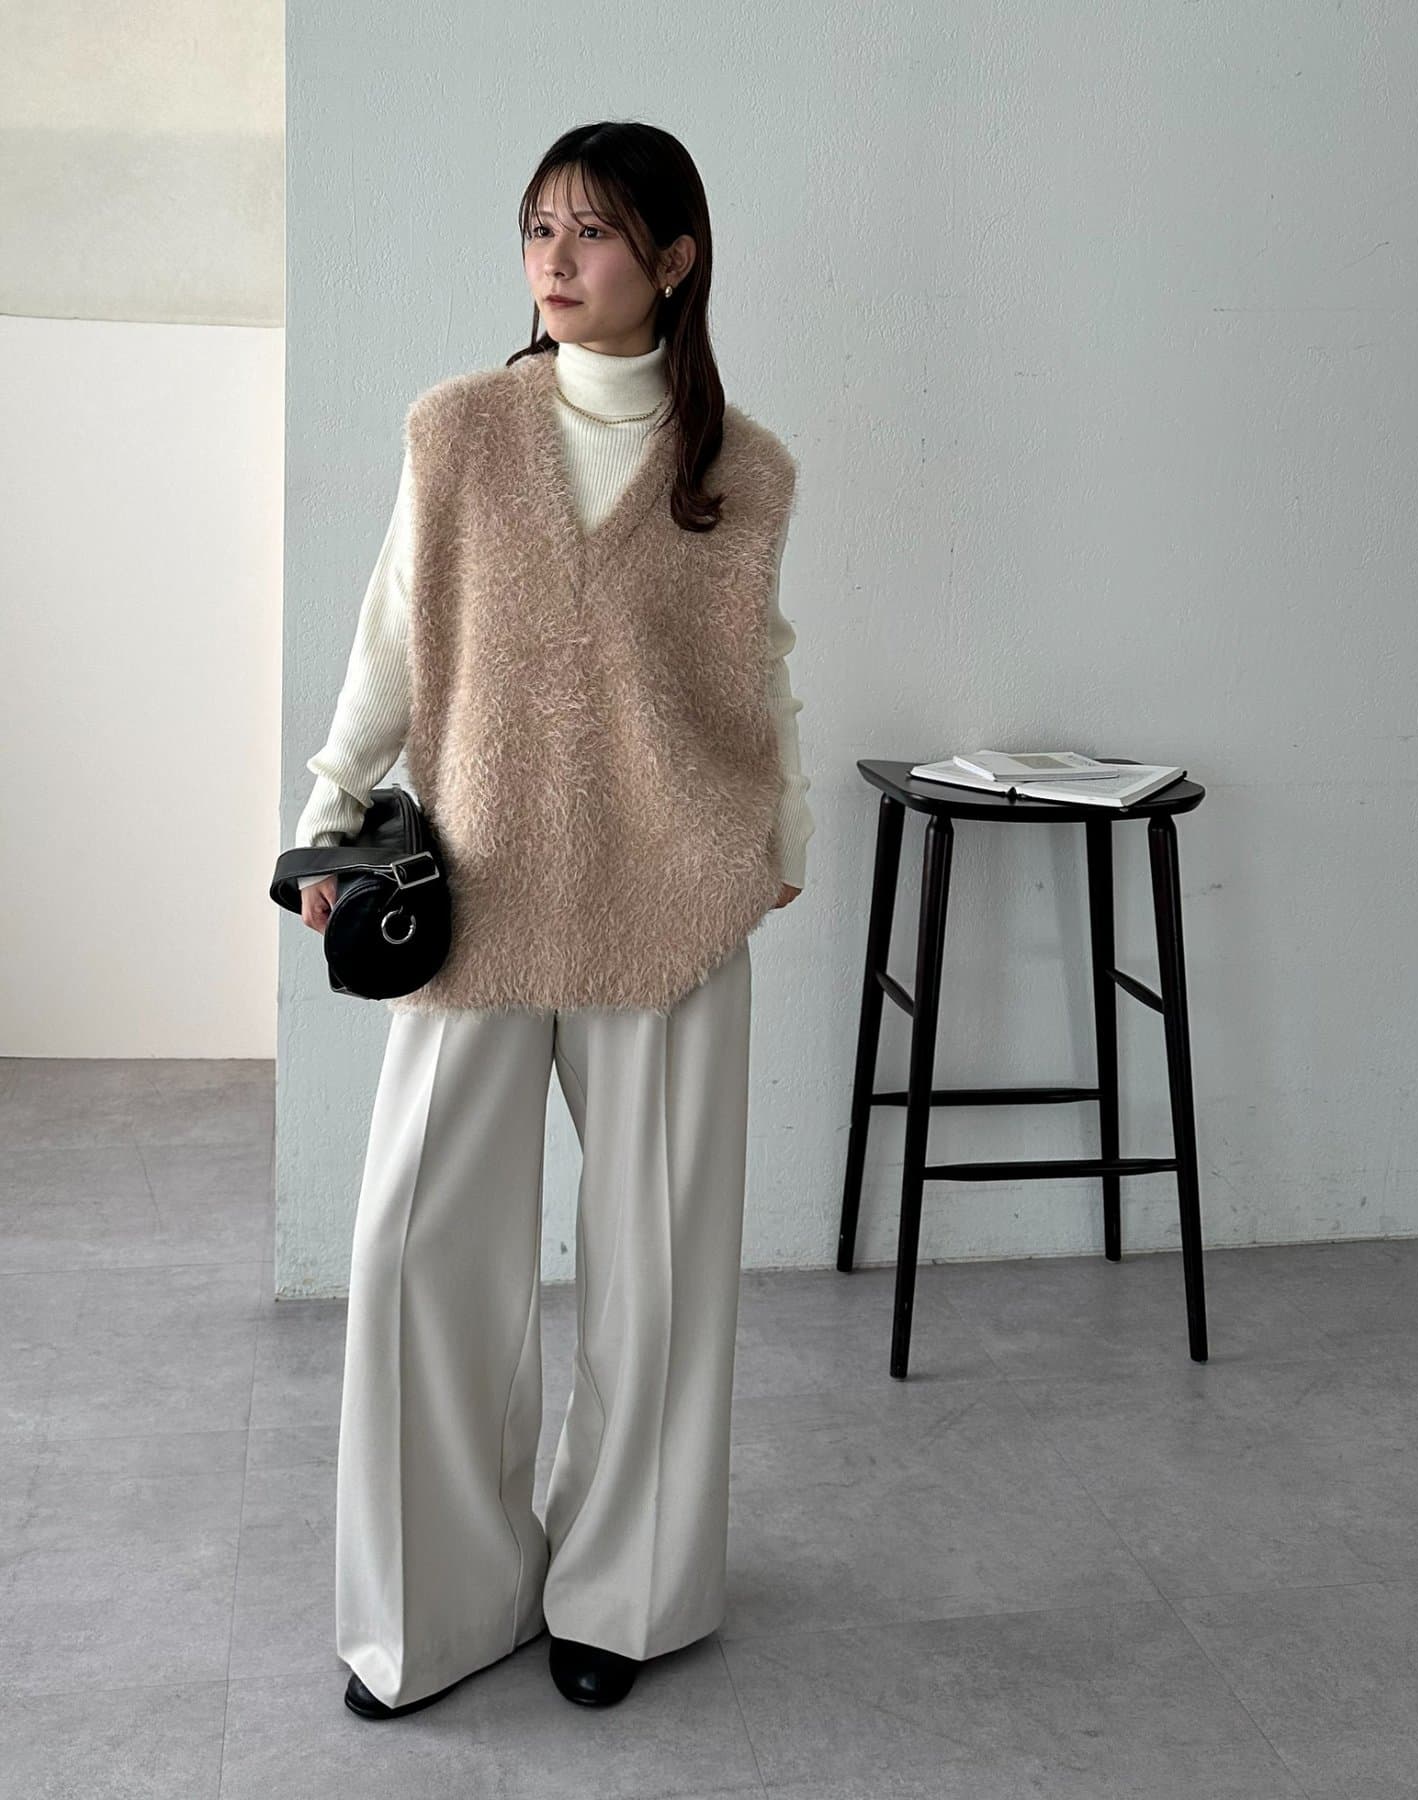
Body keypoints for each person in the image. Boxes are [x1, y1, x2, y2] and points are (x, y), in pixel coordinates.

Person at [292, 121, 812, 1721]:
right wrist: (329, 809)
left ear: (675, 259)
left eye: (591, 233)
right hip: (477, 888)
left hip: (673, 893)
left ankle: (624, 1594)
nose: (555, 260)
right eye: (538, 230)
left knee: (659, 1264)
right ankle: (429, 1609)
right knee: (417, 1249)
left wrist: (779, 843)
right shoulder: (461, 430)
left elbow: (760, 672)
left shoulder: (744, 469)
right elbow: (392, 634)